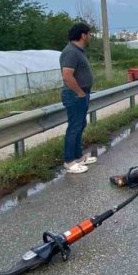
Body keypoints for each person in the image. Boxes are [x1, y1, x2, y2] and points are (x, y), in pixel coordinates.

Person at [60, 22, 97, 173]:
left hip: (81, 94)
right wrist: (79, 93)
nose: (90, 36)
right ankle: (69, 161)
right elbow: (67, 76)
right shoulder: (70, 52)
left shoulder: (78, 51)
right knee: (74, 127)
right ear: (83, 35)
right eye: (89, 33)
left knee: (80, 125)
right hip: (75, 95)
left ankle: (78, 157)